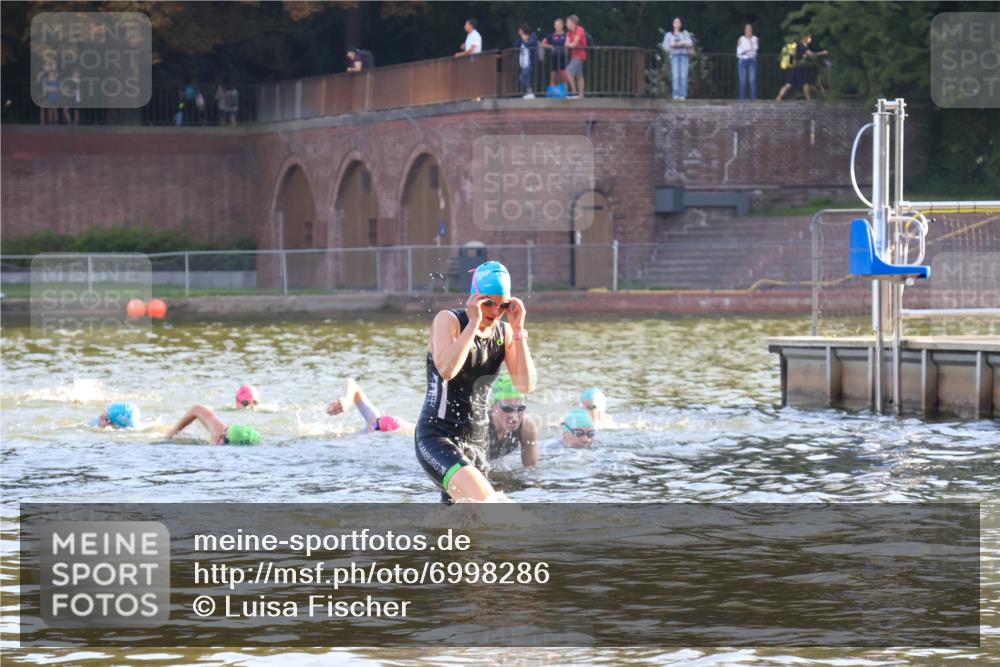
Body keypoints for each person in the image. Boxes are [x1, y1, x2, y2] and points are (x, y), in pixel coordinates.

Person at [415, 261, 536, 503]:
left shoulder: (505, 333)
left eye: (503, 305)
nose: (495, 311)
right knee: (491, 505)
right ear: (474, 298)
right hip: (437, 437)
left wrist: (518, 330)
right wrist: (472, 324)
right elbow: (447, 370)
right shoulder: (448, 321)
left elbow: (526, 385)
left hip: (478, 444)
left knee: (465, 521)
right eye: (488, 303)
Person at [487, 374, 539, 466]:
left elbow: (531, 470)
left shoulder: (527, 427)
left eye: (520, 408)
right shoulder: (481, 428)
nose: (514, 415)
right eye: (507, 409)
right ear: (493, 407)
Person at [326, 377, 409, 434]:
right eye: (376, 423)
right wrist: (347, 400)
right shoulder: (374, 420)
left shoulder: (376, 432)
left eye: (376, 426)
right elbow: (351, 383)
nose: (373, 424)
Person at [166, 405, 261, 445]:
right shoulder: (219, 432)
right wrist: (172, 432)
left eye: (226, 440)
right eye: (226, 431)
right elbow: (197, 409)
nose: (221, 437)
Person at [776, 34, 829, 101]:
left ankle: (778, 98)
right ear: (805, 38)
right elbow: (810, 54)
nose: (810, 39)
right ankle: (808, 99)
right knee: (804, 83)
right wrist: (822, 53)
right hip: (800, 68)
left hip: (795, 67)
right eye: (809, 38)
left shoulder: (798, 46)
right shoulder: (803, 46)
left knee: (789, 84)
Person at [662, 18, 693, 100]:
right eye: (675, 22)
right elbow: (665, 46)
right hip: (674, 56)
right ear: (672, 24)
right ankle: (675, 94)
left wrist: (682, 42)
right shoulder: (669, 35)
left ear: (681, 24)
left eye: (678, 22)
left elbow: (690, 43)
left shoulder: (684, 33)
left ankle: (683, 94)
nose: (677, 23)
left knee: (683, 76)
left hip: (684, 56)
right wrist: (672, 45)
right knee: (675, 76)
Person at [564, 14, 587, 98]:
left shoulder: (580, 29)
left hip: (580, 55)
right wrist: (570, 45)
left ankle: (574, 92)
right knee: (579, 75)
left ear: (573, 22)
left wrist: (570, 44)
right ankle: (580, 95)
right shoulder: (569, 33)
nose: (566, 24)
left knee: (568, 71)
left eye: (568, 22)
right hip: (574, 55)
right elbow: (566, 44)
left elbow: (574, 44)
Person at [542, 18, 568, 88]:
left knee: (563, 76)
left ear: (562, 25)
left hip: (563, 57)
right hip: (554, 57)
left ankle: (564, 91)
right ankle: (553, 91)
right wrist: (551, 46)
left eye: (558, 24)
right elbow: (543, 44)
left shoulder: (566, 35)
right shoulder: (551, 35)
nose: (557, 26)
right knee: (553, 76)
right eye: (555, 24)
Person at [515, 23, 539, 99]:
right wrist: (523, 38)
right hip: (523, 62)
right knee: (522, 77)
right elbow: (516, 44)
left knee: (526, 74)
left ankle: (530, 92)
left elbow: (531, 44)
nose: (518, 31)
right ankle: (529, 92)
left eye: (519, 30)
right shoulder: (521, 38)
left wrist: (525, 40)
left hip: (530, 61)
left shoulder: (533, 35)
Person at [737, 23, 759, 100]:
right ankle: (742, 99)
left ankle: (753, 99)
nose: (749, 30)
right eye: (747, 29)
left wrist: (749, 42)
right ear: (745, 30)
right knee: (742, 81)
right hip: (742, 60)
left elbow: (755, 49)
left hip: (751, 60)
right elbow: (739, 52)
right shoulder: (741, 38)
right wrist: (746, 50)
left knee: (752, 80)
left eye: (750, 29)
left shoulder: (755, 38)